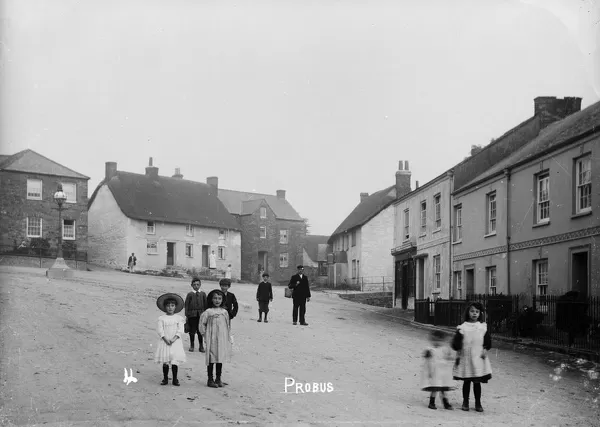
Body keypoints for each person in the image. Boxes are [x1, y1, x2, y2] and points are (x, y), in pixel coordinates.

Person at [452, 302, 492, 412]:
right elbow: (456, 342)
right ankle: (465, 402)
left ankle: (478, 403)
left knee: (477, 381)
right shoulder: (463, 327)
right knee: (467, 381)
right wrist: (458, 348)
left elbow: (487, 341)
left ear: (480, 314)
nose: (474, 314)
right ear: (468, 312)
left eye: (477, 312)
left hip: (478, 357)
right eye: (472, 311)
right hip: (466, 357)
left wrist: (485, 349)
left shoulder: (482, 327)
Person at [199, 289, 232, 388]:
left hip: (221, 338)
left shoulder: (225, 312)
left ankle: (218, 379)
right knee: (211, 358)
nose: (217, 300)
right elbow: (202, 325)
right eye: (215, 298)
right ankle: (210, 379)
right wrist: (205, 335)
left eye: (219, 298)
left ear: (222, 300)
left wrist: (228, 337)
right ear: (211, 299)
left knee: (220, 358)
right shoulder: (208, 312)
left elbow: (227, 325)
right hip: (211, 338)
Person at [154, 293, 186, 386]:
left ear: (175, 307)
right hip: (165, 341)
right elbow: (160, 330)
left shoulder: (179, 318)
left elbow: (181, 330)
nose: (170, 308)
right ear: (164, 307)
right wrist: (165, 338)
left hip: (175, 341)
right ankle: (165, 378)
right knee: (166, 360)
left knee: (174, 360)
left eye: (172, 305)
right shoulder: (161, 318)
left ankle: (175, 379)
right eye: (168, 306)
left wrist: (174, 338)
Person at [421, 330, 456, 410]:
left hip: (443, 372)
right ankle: (432, 402)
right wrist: (429, 371)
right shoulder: (429, 349)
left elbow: (448, 358)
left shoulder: (445, 349)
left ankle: (445, 403)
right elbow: (427, 360)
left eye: (439, 340)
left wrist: (450, 359)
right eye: (434, 340)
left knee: (443, 389)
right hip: (434, 371)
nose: (436, 342)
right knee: (435, 388)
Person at [184, 277, 207, 352]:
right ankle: (192, 345)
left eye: (197, 284)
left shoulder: (203, 294)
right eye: (194, 285)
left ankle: (201, 346)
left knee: (200, 331)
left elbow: (205, 304)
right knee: (192, 331)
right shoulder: (190, 294)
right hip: (192, 315)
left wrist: (205, 314)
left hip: (201, 315)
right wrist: (187, 315)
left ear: (200, 285)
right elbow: (186, 305)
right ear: (191, 285)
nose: (196, 286)